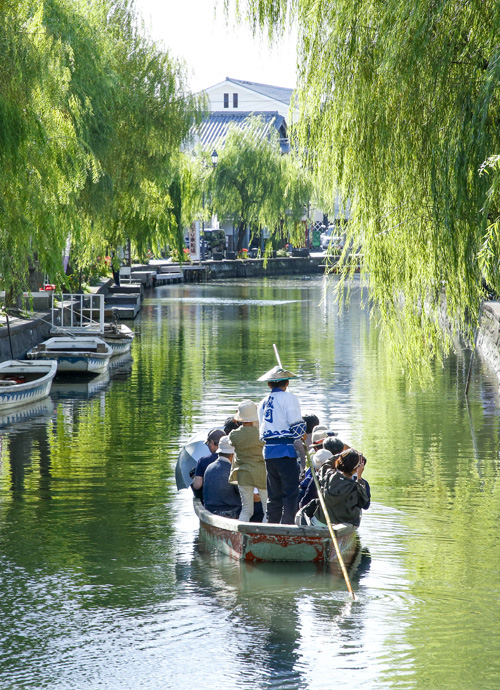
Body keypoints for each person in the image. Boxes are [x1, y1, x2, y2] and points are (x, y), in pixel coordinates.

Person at [257, 364, 306, 524]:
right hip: (285, 451)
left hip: (269, 453)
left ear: (269, 384)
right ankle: (287, 525)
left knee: (274, 494)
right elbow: (298, 430)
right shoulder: (289, 398)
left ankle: (272, 524)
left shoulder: (262, 402)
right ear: (287, 383)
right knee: (290, 493)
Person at [228, 400, 267, 522]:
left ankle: (240, 535)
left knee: (247, 510)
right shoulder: (262, 433)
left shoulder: (234, 435)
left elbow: (232, 442)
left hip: (243, 473)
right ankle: (266, 534)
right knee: (267, 509)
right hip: (261, 472)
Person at [312, 449, 370, 527]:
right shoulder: (357, 487)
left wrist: (341, 455)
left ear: (339, 461)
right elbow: (365, 504)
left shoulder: (329, 475)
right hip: (343, 525)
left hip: (319, 522)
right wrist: (359, 477)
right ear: (358, 468)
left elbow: (325, 465)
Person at [203, 435, 242, 518]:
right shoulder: (233, 470)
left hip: (210, 510)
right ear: (233, 454)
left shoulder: (209, 467)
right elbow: (244, 494)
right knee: (259, 507)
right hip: (231, 513)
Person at [191, 428, 225, 500]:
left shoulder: (203, 461)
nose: (208, 446)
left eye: (208, 443)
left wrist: (194, 477)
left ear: (212, 442)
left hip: (210, 501)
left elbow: (197, 485)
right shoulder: (234, 458)